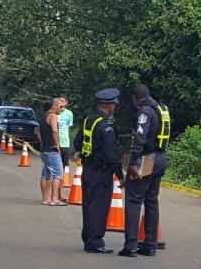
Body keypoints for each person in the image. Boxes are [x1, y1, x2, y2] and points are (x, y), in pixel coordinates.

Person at [120, 84, 170, 257]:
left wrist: (133, 162)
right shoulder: (161, 108)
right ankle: (150, 245)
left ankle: (131, 246)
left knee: (133, 201)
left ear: (135, 98)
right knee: (151, 201)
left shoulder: (144, 112)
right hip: (161, 157)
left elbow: (140, 138)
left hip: (147, 159)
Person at [73, 88, 125, 254]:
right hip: (102, 171)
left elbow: (77, 142)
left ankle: (88, 238)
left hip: (88, 169)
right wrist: (120, 175)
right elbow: (112, 154)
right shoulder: (106, 125)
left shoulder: (89, 120)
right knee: (99, 207)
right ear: (111, 106)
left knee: (88, 205)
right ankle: (95, 241)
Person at [36, 97, 66, 206]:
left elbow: (37, 130)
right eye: (61, 107)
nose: (62, 109)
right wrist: (57, 144)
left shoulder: (44, 116)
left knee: (45, 174)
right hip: (52, 150)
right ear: (54, 106)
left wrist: (42, 141)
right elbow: (54, 130)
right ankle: (54, 199)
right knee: (58, 174)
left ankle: (45, 199)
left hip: (44, 149)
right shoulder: (53, 116)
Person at [57, 94, 73, 202]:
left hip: (65, 143)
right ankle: (51, 194)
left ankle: (61, 194)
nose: (61, 104)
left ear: (66, 102)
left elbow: (68, 128)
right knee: (54, 171)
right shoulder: (55, 114)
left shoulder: (69, 114)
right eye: (59, 102)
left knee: (62, 170)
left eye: (63, 101)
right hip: (55, 144)